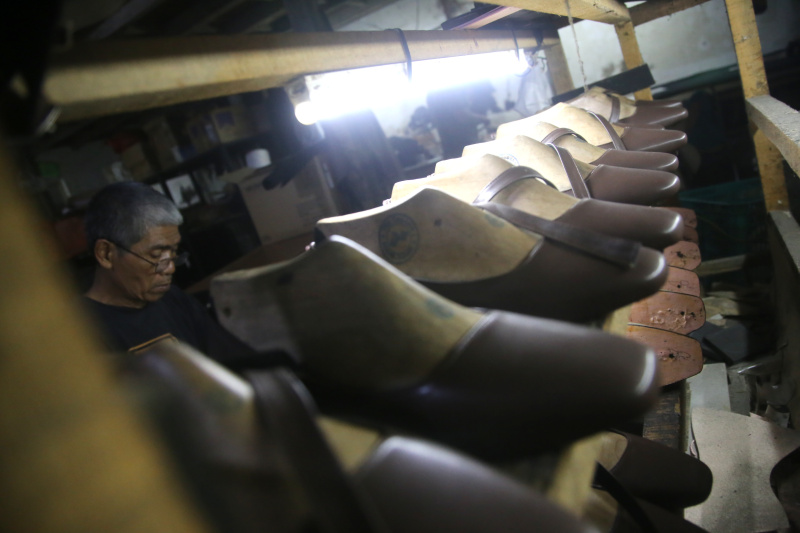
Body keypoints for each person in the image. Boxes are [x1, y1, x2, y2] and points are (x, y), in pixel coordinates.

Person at [82, 181, 258, 367]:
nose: (170, 268)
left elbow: (235, 363)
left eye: (173, 253)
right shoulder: (80, 331)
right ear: (106, 254)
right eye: (156, 255)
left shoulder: (174, 300)